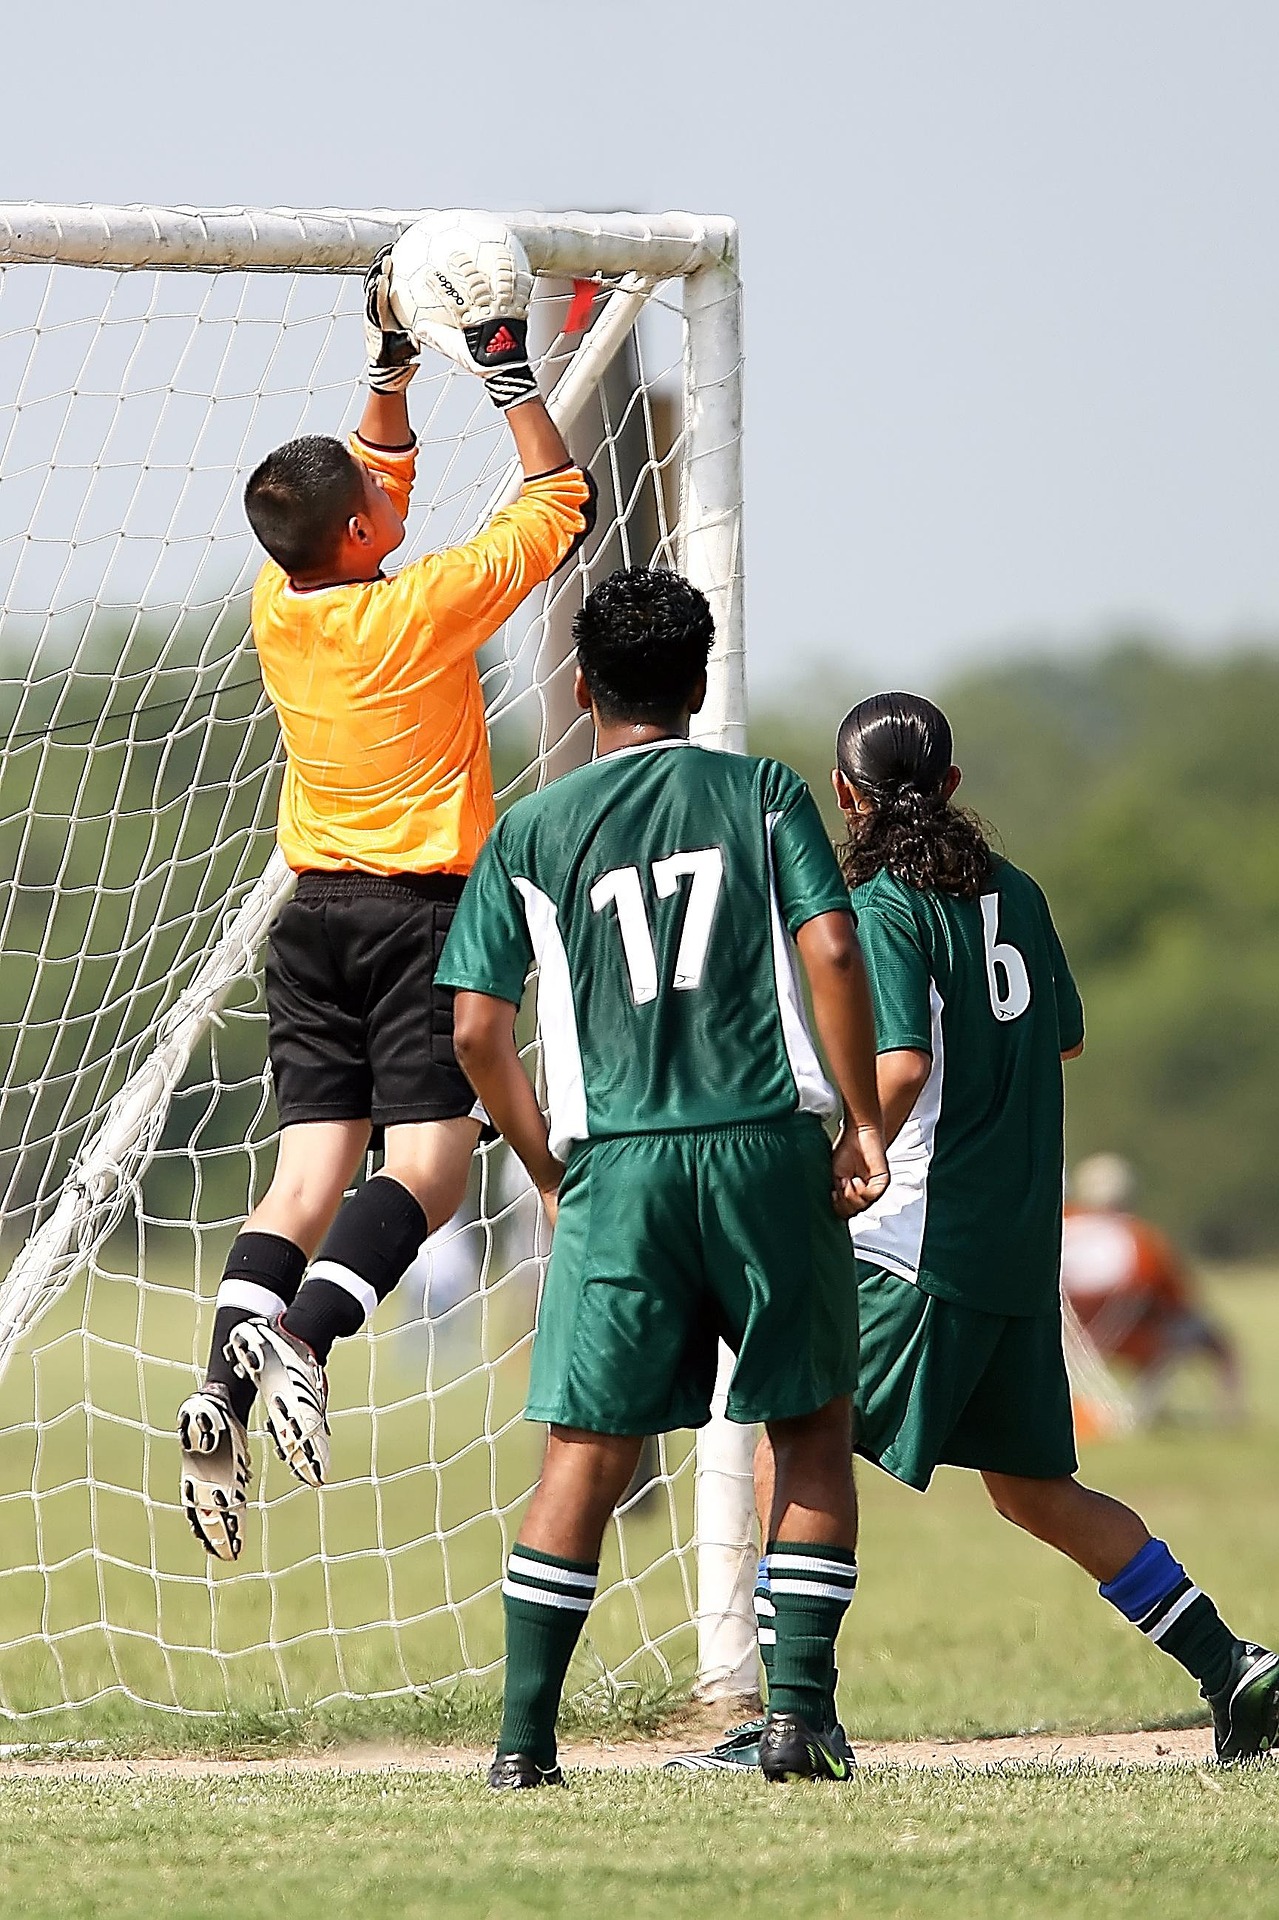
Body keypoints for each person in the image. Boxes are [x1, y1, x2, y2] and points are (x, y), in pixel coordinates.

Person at [675, 691, 1278, 1771]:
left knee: (790, 1439)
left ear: (844, 795)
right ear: (949, 786)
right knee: (1035, 1491)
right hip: (1014, 1249)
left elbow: (902, 1063)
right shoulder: (1020, 891)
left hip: (913, 1241)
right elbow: (1063, 1041)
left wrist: (849, 1147)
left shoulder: (880, 901)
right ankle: (1229, 1666)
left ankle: (797, 1716)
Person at [177, 230, 597, 1561]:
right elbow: (561, 503)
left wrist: (390, 364)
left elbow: (371, 486)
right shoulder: (420, 609)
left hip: (311, 919)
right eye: (372, 489)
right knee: (429, 1169)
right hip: (421, 914)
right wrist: (507, 372)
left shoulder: (281, 602)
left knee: (304, 1178)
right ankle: (305, 1339)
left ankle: (221, 1383)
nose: (385, 481)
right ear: (360, 533)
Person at [436, 566, 890, 1788]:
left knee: (584, 1452)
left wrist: (545, 1166)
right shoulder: (762, 792)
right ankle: (796, 1719)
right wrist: (860, 1122)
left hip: (618, 1167)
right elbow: (833, 947)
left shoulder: (531, 829)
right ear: (699, 681)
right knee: (808, 1429)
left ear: (582, 687)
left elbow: (476, 1030)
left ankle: (523, 1746)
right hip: (764, 1146)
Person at [1063, 1153, 1242, 1425]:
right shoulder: (1142, 1241)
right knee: (1205, 1335)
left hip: (1063, 1338)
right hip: (1128, 1338)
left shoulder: (1060, 1227)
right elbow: (1179, 1302)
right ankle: (1225, 1416)